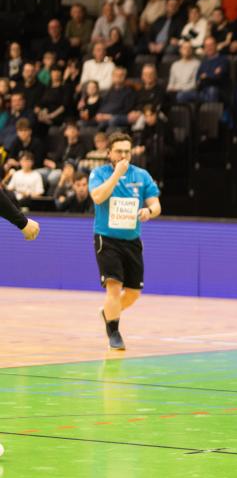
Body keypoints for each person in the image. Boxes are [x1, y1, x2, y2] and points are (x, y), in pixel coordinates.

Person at [88, 131, 162, 350]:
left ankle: (108, 312)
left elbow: (156, 205)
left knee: (133, 293)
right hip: (107, 239)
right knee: (114, 287)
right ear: (109, 153)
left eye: (127, 152)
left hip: (132, 240)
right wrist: (116, 175)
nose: (123, 156)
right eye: (119, 151)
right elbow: (98, 197)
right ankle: (114, 332)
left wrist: (149, 211)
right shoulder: (98, 173)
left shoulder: (142, 175)